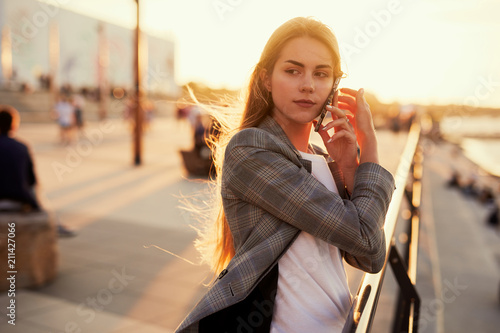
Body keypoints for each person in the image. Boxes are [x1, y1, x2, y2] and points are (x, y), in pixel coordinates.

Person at [176, 17, 395, 333]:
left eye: (321, 73)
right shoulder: (250, 150)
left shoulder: (323, 158)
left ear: (333, 85)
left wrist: (349, 167)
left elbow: (370, 257)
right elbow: (362, 236)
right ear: (266, 78)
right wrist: (370, 145)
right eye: (293, 70)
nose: (307, 84)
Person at [0, 105, 75, 237]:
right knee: (37, 190)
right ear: (14, 126)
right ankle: (55, 224)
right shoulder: (21, 148)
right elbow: (32, 181)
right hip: (17, 201)